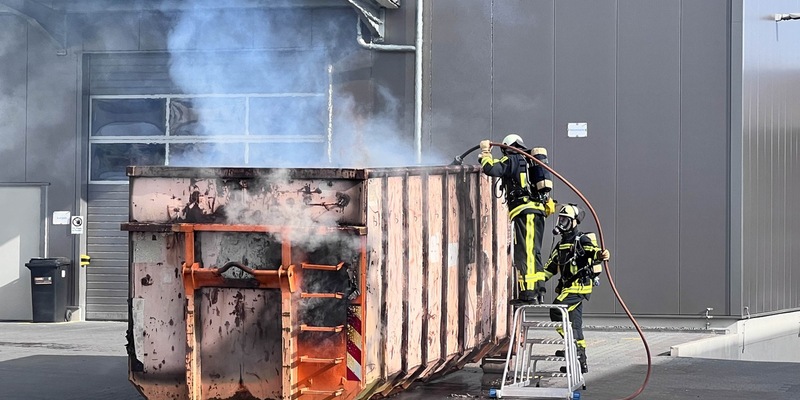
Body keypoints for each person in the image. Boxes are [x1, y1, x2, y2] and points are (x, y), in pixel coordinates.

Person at [478, 134, 555, 304]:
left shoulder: (512, 159)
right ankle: (539, 291)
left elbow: (491, 169)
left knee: (525, 253)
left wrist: (485, 152)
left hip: (524, 211)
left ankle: (528, 294)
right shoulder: (529, 161)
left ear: (506, 147)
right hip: (537, 212)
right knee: (534, 252)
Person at [543, 203, 610, 373]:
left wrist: (601, 254)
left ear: (574, 222)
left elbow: (593, 251)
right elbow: (550, 268)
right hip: (568, 288)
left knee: (556, 311)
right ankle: (580, 363)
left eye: (565, 220)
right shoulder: (560, 245)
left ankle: (571, 345)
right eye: (560, 219)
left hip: (579, 287)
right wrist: (535, 282)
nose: (561, 223)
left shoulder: (582, 240)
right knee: (576, 325)